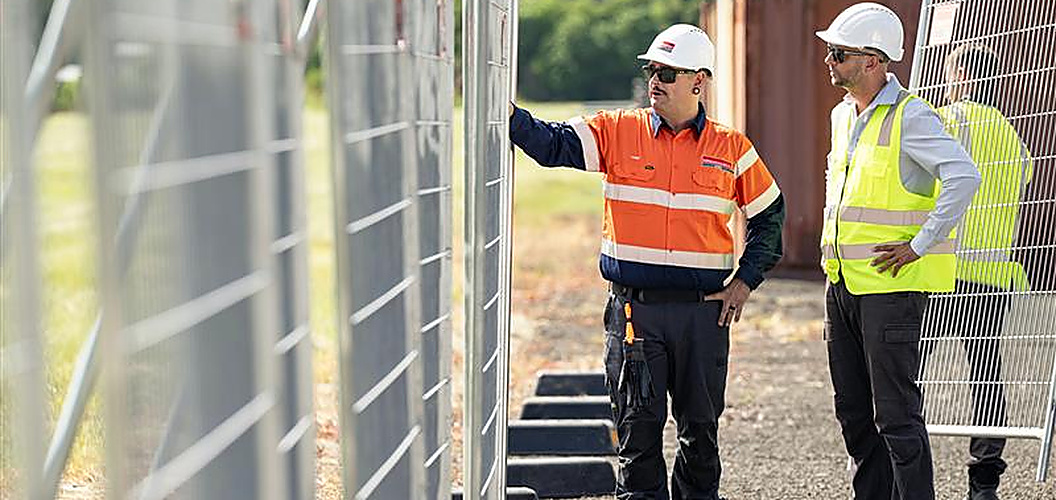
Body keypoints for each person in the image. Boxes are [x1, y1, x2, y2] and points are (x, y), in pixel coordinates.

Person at [509, 24, 785, 500]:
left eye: (668, 72)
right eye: (651, 70)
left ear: (699, 81)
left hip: (704, 315)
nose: (655, 79)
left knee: (700, 436)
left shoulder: (732, 148)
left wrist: (744, 283)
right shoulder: (619, 131)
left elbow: (771, 219)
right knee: (637, 437)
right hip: (635, 315)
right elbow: (550, 144)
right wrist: (507, 112)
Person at [815, 3, 982, 500]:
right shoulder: (842, 115)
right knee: (854, 415)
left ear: (873, 60)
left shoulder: (912, 116)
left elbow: (964, 176)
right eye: (829, 51)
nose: (828, 60)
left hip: (892, 290)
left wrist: (919, 244)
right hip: (842, 285)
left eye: (838, 53)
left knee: (896, 417)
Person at [926, 42, 1033, 500]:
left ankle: (897, 467)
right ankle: (984, 481)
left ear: (955, 78)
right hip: (991, 275)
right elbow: (1025, 178)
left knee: (906, 373)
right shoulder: (1008, 132)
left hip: (938, 270)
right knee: (987, 380)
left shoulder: (939, 122)